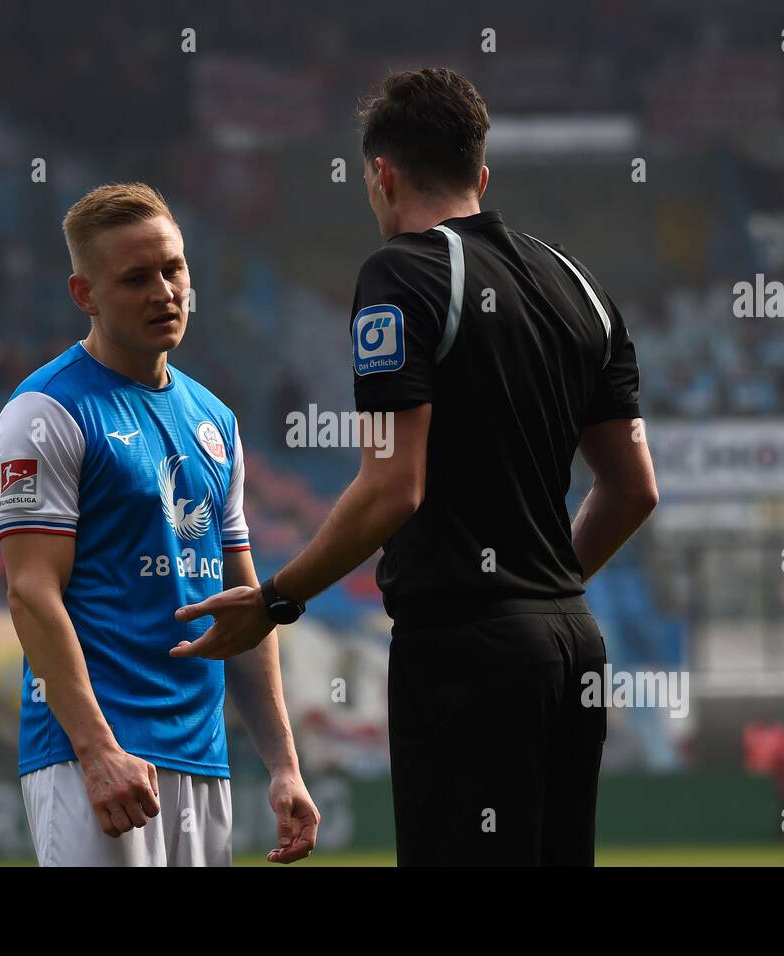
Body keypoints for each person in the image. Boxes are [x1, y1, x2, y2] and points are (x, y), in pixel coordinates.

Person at [172, 68, 657, 866]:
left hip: (466, 652)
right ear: (482, 174)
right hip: (572, 644)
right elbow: (634, 488)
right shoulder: (582, 287)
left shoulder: (401, 273)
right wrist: (541, 589)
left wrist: (275, 599)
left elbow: (395, 484)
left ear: (383, 175)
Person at [0, 182, 318, 866]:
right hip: (98, 760)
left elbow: (246, 612)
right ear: (85, 294)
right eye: (135, 278)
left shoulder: (215, 422)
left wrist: (283, 763)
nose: (164, 291)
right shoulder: (45, 413)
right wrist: (97, 749)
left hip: (202, 760)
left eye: (174, 269)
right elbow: (31, 593)